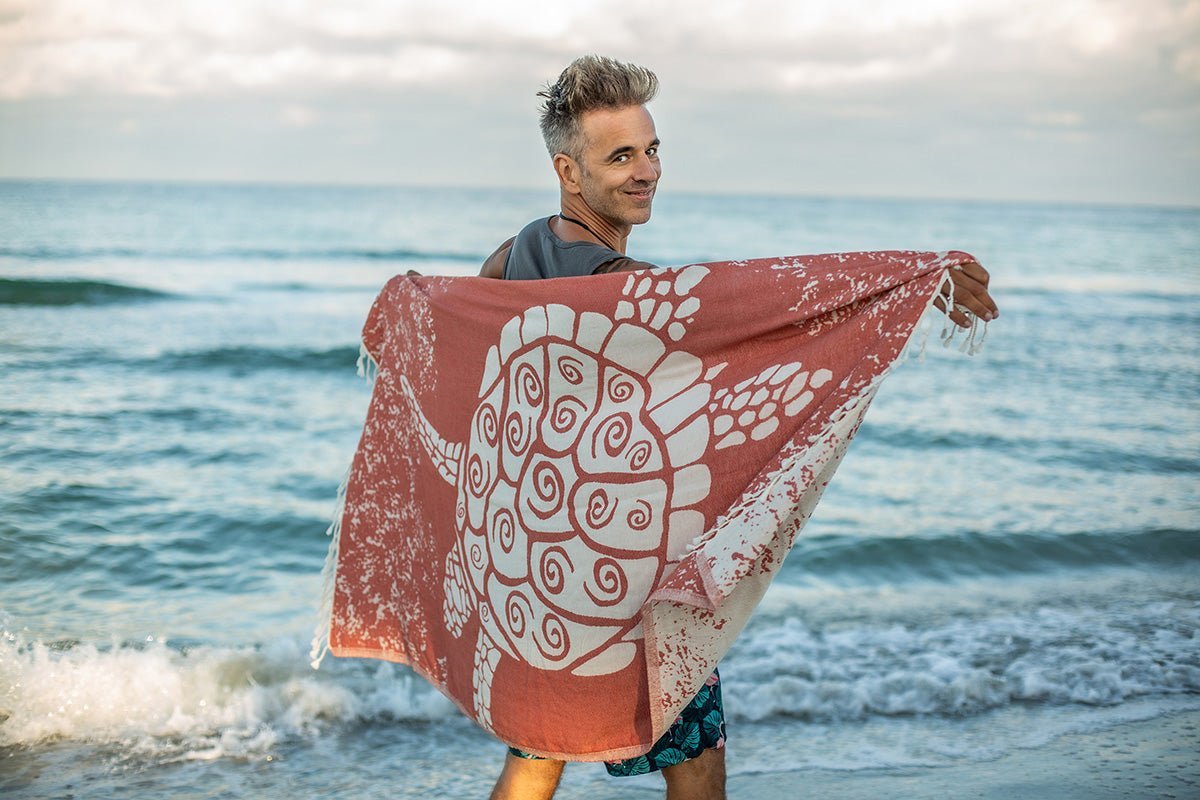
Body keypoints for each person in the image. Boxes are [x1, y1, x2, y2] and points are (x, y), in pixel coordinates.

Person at [476, 55, 999, 800]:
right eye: (619, 155)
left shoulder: (520, 249)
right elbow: (741, 307)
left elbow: (461, 324)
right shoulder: (621, 286)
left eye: (652, 149)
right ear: (569, 170)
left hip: (543, 569)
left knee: (536, 759)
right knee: (698, 768)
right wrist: (906, 280)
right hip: (623, 572)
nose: (646, 170)